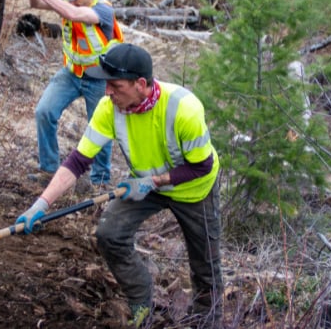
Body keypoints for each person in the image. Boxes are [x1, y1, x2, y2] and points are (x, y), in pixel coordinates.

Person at [15, 43, 223, 328]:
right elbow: (78, 161)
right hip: (145, 186)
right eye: (106, 85)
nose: (107, 92)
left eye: (115, 86)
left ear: (140, 84)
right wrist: (40, 205)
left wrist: (153, 181)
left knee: (206, 268)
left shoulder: (183, 108)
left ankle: (207, 321)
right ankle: (141, 303)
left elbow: (202, 166)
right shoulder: (109, 108)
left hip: (193, 189)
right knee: (109, 234)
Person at [23, 0, 123, 187]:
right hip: (70, 74)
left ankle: (100, 181)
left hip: (99, 79)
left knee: (100, 128)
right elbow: (37, 4)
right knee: (44, 111)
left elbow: (75, 14)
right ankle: (49, 170)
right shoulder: (69, 2)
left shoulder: (102, 9)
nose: (70, 0)